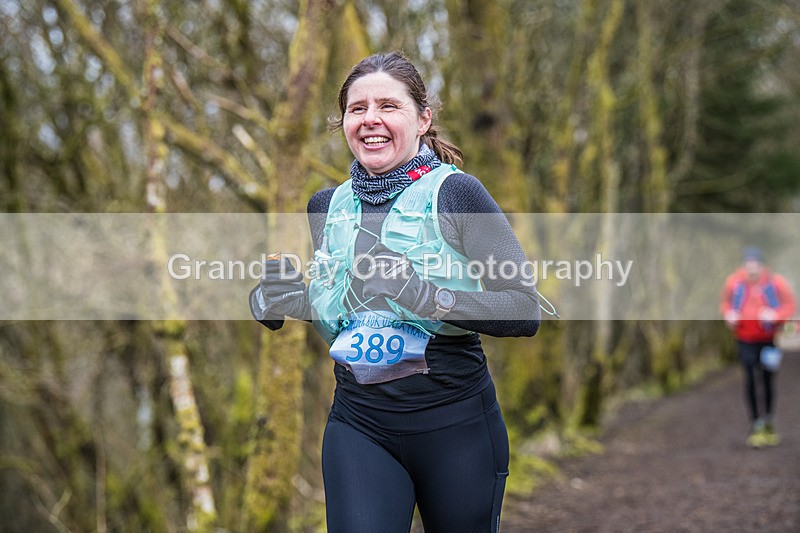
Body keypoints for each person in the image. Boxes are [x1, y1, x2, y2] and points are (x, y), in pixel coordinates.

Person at [250, 51, 540, 532]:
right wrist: (286, 300)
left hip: (457, 423)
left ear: (423, 119)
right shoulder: (326, 206)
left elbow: (523, 310)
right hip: (360, 423)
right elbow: (347, 313)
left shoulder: (458, 195)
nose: (371, 120)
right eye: (357, 109)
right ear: (341, 121)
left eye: (389, 106)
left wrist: (425, 295)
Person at [720, 246, 795, 448]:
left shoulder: (776, 283)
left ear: (762, 265)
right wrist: (729, 315)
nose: (751, 267)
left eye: (755, 263)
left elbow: (789, 306)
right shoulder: (734, 282)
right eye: (748, 263)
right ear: (744, 265)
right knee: (750, 377)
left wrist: (775, 315)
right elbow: (725, 304)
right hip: (744, 339)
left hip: (769, 340)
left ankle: (769, 420)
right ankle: (756, 423)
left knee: (768, 379)